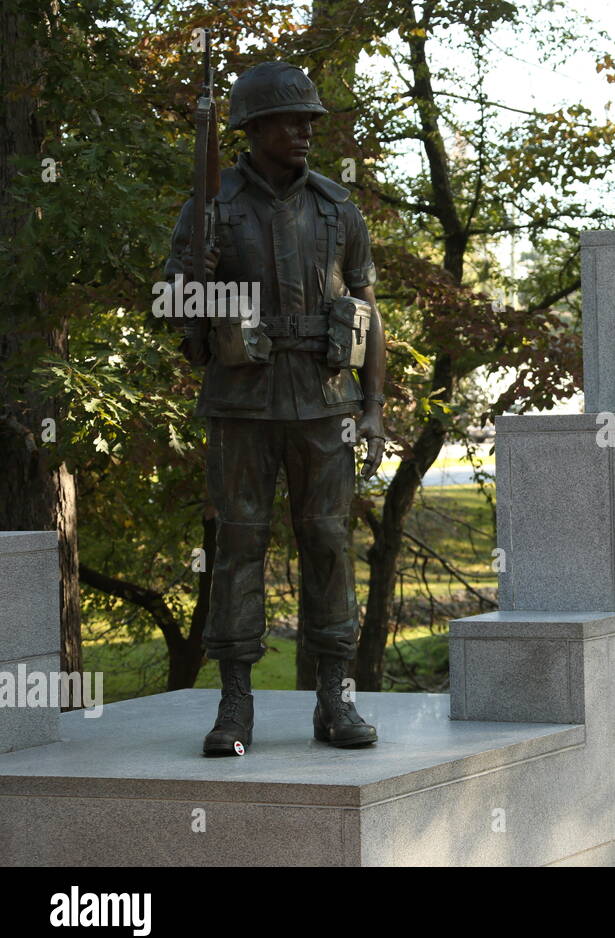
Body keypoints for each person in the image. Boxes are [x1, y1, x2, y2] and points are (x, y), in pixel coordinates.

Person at [164, 61, 385, 754]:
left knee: (328, 543)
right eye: (292, 121)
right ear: (253, 129)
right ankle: (234, 705)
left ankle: (336, 701)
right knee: (238, 545)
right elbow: (174, 316)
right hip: (241, 405)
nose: (305, 132)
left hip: (324, 404)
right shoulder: (212, 208)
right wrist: (194, 289)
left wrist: (373, 408)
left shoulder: (336, 209)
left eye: (311, 122)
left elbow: (372, 318)